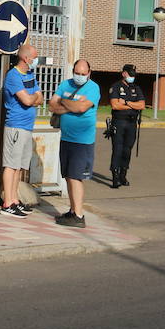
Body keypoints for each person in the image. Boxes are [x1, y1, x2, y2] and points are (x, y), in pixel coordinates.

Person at [51, 59, 99, 228]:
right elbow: (52, 106)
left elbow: (81, 108)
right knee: (68, 176)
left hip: (82, 141)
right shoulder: (65, 84)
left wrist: (63, 102)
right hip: (66, 138)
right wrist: (71, 104)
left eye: (83, 74)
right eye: (77, 73)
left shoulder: (93, 88)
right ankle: (72, 211)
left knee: (76, 177)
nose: (79, 76)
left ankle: (78, 215)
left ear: (89, 73)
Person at [0, 44, 41, 217]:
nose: (36, 61)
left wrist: (34, 98)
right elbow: (27, 100)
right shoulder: (13, 76)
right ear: (26, 58)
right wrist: (33, 98)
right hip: (15, 126)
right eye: (35, 58)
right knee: (11, 165)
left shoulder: (30, 74)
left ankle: (15, 199)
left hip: (27, 127)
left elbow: (39, 98)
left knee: (19, 167)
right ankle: (7, 203)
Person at [107, 64, 146, 189]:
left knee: (127, 150)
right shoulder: (116, 87)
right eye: (130, 74)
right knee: (117, 150)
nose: (132, 77)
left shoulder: (136, 88)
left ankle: (123, 175)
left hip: (131, 123)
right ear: (124, 73)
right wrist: (133, 105)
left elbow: (142, 105)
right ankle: (115, 177)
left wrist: (127, 103)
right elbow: (115, 105)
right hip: (119, 122)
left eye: (133, 75)